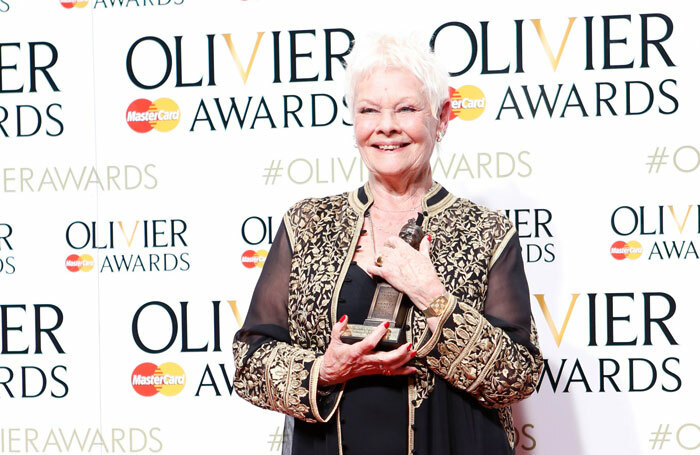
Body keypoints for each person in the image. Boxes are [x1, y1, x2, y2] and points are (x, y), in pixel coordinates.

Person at [232, 34, 543, 455]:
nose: (387, 126)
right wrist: (324, 370)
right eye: (369, 110)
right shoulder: (306, 224)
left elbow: (517, 376)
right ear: (354, 123)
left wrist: (433, 298)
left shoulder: (485, 231)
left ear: (442, 118)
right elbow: (249, 361)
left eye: (406, 109)